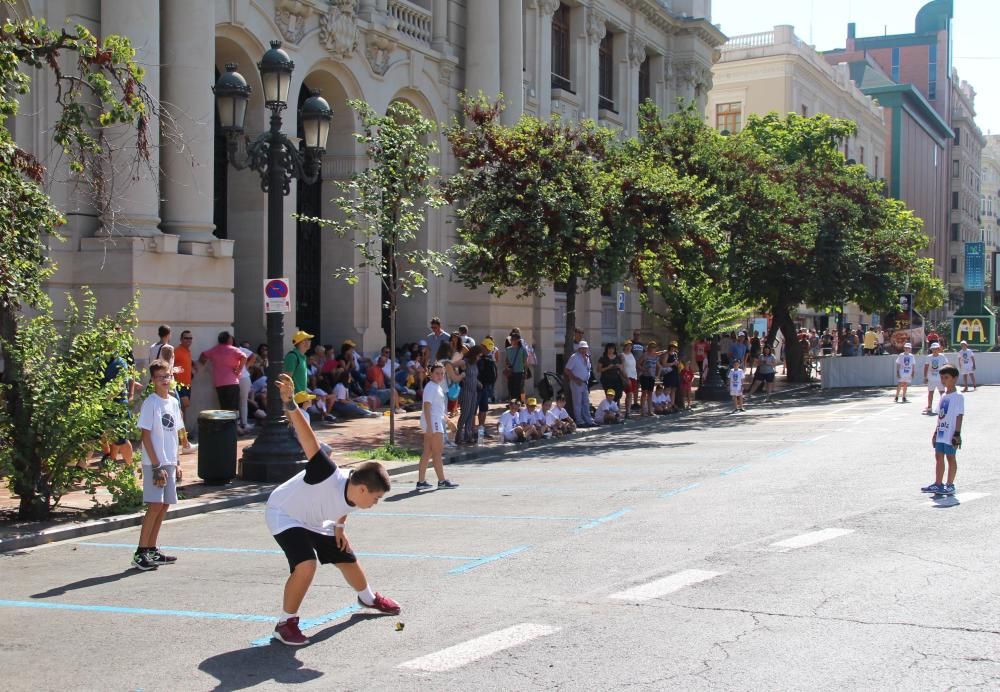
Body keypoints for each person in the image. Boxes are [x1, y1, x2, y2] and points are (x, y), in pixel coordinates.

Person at [266, 373, 399, 646]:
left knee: (345, 556)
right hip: (284, 512)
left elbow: (343, 503)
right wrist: (290, 404)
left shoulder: (354, 489)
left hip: (315, 518)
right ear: (363, 489)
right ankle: (285, 623)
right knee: (306, 564)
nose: (374, 505)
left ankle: (368, 598)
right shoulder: (326, 472)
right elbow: (308, 439)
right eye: (374, 499)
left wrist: (339, 526)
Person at [132, 359, 184, 571]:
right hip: (156, 463)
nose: (165, 380)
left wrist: (177, 461)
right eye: (161, 377)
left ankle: (152, 548)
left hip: (169, 462)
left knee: (164, 506)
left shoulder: (173, 401)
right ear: (153, 380)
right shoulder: (150, 403)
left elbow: (176, 433)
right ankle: (141, 552)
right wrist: (155, 465)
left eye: (168, 376)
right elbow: (145, 436)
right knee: (154, 505)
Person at [921, 365, 963, 497]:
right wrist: (935, 433)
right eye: (942, 378)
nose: (943, 380)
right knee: (938, 456)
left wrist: (957, 434)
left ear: (954, 378)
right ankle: (938, 483)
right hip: (941, 432)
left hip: (951, 433)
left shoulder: (958, 396)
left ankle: (950, 485)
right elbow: (940, 416)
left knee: (951, 457)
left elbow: (959, 415)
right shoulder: (944, 395)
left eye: (946, 377)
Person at [416, 363, 459, 489]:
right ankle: (442, 481)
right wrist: (430, 426)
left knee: (428, 452)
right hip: (433, 422)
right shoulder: (431, 387)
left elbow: (438, 409)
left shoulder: (436, 387)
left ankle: (421, 482)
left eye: (442, 373)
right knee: (437, 452)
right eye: (437, 373)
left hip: (435, 420)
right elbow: (427, 407)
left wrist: (447, 421)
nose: (440, 376)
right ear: (430, 374)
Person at [198, 331, 247, 412]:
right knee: (233, 408)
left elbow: (203, 356)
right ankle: (233, 424)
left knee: (224, 408)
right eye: (231, 338)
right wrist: (239, 369)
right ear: (228, 339)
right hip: (232, 382)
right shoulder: (233, 349)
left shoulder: (214, 350)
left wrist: (204, 365)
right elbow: (244, 357)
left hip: (219, 383)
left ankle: (225, 424)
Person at [173, 330, 197, 453]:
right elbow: (169, 367)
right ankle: (182, 438)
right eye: (186, 338)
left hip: (187, 385)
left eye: (190, 338)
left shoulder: (188, 351)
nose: (189, 340)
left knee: (183, 410)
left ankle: (182, 436)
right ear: (181, 339)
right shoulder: (176, 351)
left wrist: (192, 368)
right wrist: (177, 370)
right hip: (179, 385)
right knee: (182, 408)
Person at [455, 346, 483, 444]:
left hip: (474, 391)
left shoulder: (475, 364)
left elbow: (473, 377)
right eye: (478, 356)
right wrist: (459, 376)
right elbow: (454, 364)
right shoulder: (465, 362)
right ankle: (458, 435)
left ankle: (468, 435)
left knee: (471, 414)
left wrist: (479, 383)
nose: (479, 358)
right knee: (465, 414)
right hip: (466, 391)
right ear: (474, 354)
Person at [564, 340, 596, 427]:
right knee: (577, 403)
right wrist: (575, 379)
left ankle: (588, 420)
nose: (584, 350)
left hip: (585, 383)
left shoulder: (587, 357)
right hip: (576, 383)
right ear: (579, 349)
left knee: (585, 402)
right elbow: (567, 370)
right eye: (582, 348)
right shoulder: (574, 357)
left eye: (585, 348)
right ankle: (579, 421)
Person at [477, 337, 498, 436]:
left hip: (485, 387)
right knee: (473, 411)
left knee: (484, 409)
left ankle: (481, 428)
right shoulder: (476, 358)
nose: (489, 351)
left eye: (490, 349)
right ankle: (472, 430)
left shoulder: (489, 359)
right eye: (487, 349)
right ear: (482, 347)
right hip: (476, 388)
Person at [922, 342, 949, 415]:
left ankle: (943, 407)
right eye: (933, 349)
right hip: (931, 379)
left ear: (938, 349)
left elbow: (945, 366)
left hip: (940, 378)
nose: (935, 350)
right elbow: (926, 367)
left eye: (936, 349)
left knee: (942, 393)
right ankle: (929, 407)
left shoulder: (942, 357)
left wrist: (945, 378)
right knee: (930, 393)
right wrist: (925, 377)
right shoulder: (929, 357)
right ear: (931, 349)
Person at [283, 330, 313, 396]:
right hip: (294, 399)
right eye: (308, 339)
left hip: (301, 397)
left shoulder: (303, 357)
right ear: (303, 342)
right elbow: (287, 378)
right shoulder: (292, 356)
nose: (310, 341)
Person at [504, 331, 529, 403]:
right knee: (511, 388)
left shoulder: (522, 349)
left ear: (518, 340)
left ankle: (520, 402)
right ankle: (513, 403)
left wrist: (526, 371)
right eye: (511, 339)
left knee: (519, 389)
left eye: (513, 339)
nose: (511, 341)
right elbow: (507, 360)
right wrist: (507, 368)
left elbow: (525, 361)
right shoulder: (508, 349)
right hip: (511, 372)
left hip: (520, 371)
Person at [597, 343, 624, 407]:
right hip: (606, 380)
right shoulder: (603, 358)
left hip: (617, 379)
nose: (611, 350)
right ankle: (610, 409)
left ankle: (613, 407)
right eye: (609, 349)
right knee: (609, 395)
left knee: (619, 394)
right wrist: (608, 367)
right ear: (607, 349)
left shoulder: (618, 357)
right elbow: (598, 370)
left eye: (612, 349)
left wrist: (619, 366)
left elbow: (622, 367)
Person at [638, 341, 660, 417]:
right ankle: (642, 411)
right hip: (645, 376)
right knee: (644, 393)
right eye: (651, 347)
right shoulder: (645, 355)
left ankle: (650, 411)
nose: (652, 348)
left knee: (650, 393)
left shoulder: (656, 356)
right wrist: (643, 369)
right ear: (649, 347)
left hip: (652, 376)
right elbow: (638, 364)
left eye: (654, 347)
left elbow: (658, 366)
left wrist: (657, 375)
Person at [621, 340, 638, 418]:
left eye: (630, 346)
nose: (629, 347)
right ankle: (627, 412)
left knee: (630, 395)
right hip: (627, 377)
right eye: (627, 346)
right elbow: (622, 368)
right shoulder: (622, 355)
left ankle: (628, 411)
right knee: (629, 393)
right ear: (624, 347)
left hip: (634, 376)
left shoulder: (631, 354)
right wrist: (626, 377)